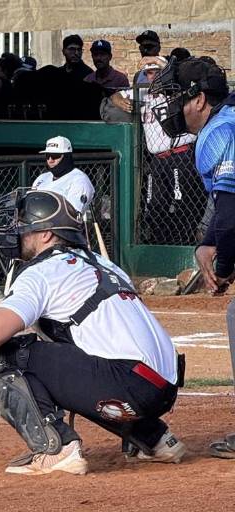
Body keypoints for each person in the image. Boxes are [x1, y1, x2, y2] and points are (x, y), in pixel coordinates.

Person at [0, 188, 184, 475]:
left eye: (23, 227)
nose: (16, 233)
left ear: (46, 234)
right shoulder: (105, 264)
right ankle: (155, 438)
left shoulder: (44, 271)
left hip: (126, 385)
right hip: (164, 388)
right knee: (73, 352)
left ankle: (56, 450)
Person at [146, 58, 235, 458]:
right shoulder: (226, 122)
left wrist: (225, 265)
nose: (170, 108)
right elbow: (226, 210)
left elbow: (232, 214)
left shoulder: (220, 132)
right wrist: (210, 243)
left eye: (176, 98)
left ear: (199, 99)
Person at [0, 136, 94, 308]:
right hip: (26, 233)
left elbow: (71, 218)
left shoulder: (79, 180)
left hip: (56, 239)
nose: (50, 160)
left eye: (55, 156)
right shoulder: (43, 178)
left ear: (67, 156)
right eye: (47, 155)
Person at [107, 59, 204, 245]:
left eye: (157, 71)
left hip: (180, 154)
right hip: (157, 159)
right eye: (149, 72)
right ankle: (163, 243)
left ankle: (185, 244)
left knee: (183, 203)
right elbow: (115, 96)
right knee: (155, 205)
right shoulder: (142, 92)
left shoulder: (176, 91)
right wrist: (121, 102)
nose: (153, 75)